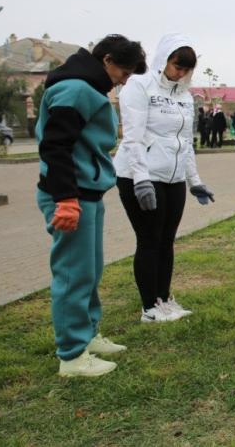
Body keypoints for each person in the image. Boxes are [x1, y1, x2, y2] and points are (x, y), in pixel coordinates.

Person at [36, 34, 147, 377]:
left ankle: (88, 334)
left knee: (90, 271)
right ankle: (71, 355)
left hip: (88, 194)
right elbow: (55, 148)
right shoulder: (75, 89)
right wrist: (66, 200)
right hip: (72, 196)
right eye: (124, 72)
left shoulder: (89, 88)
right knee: (72, 275)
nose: (124, 80)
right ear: (107, 60)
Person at [114, 33, 215, 323]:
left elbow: (185, 143)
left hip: (172, 179)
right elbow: (132, 137)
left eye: (186, 69)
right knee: (149, 239)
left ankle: (164, 299)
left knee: (167, 240)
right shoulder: (139, 86)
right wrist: (140, 179)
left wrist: (194, 181)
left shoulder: (184, 96)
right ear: (164, 59)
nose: (180, 73)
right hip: (140, 175)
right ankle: (149, 307)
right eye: (176, 66)